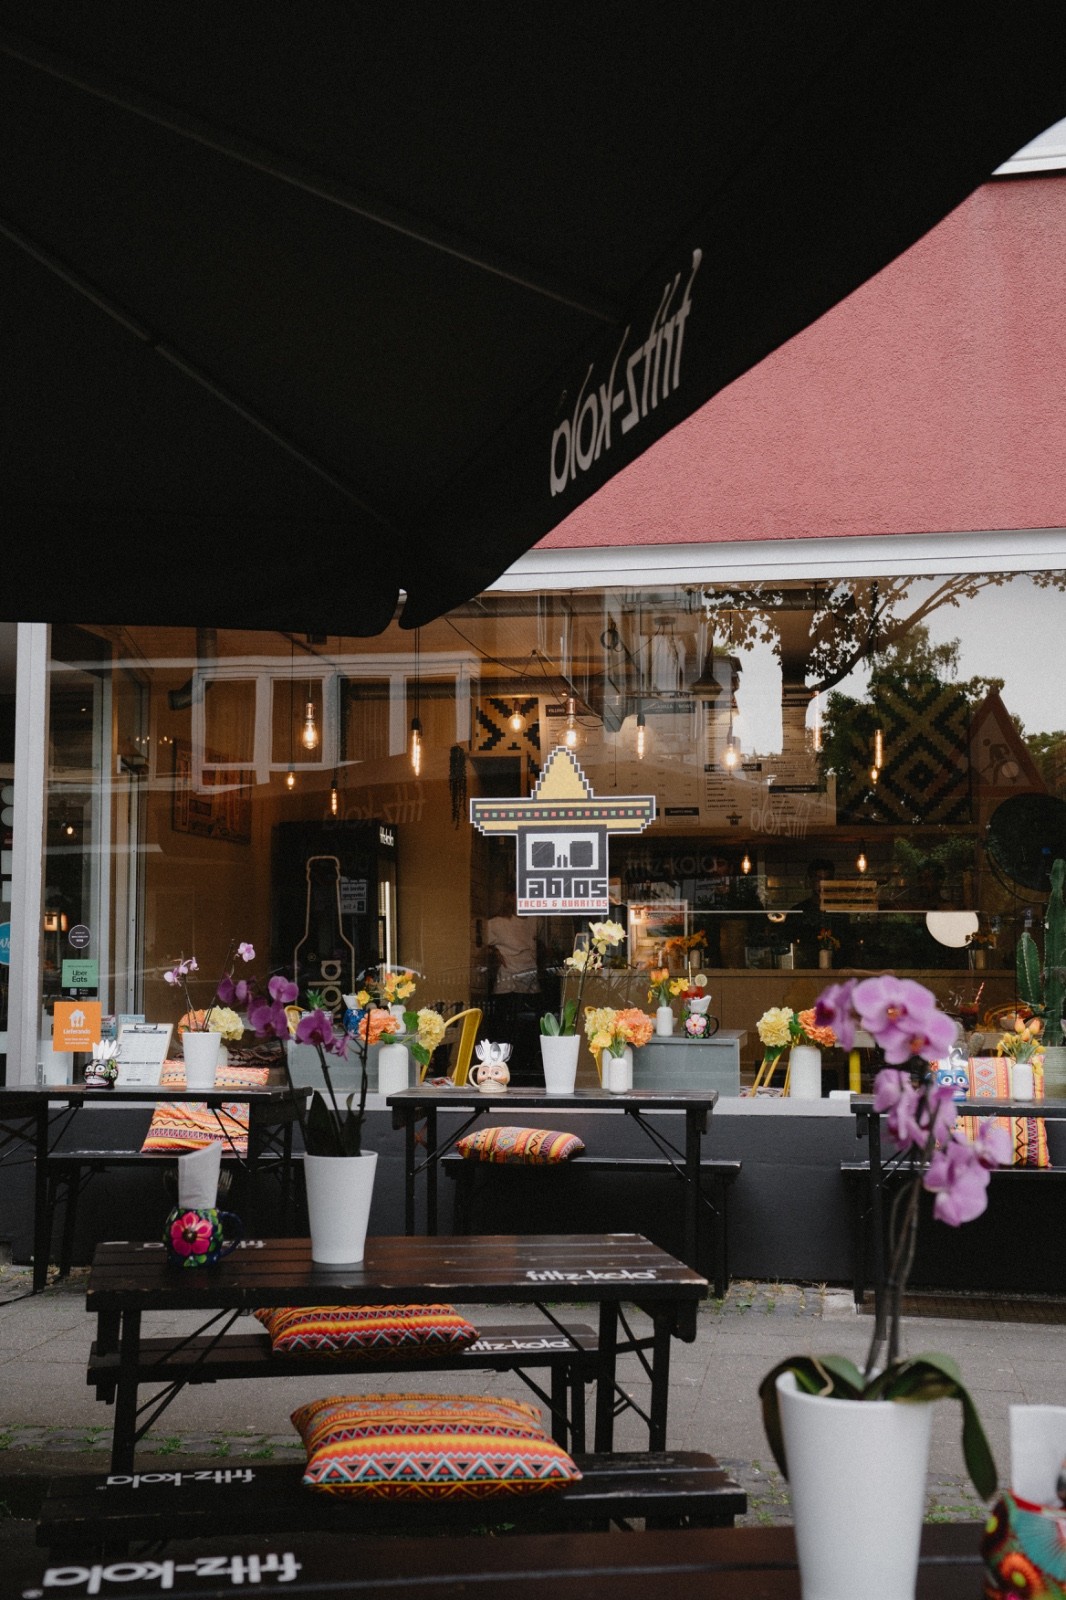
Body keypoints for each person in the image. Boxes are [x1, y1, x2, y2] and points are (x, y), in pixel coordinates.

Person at [482, 891, 544, 1080]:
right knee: (505, 1028)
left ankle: (524, 1067)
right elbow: (483, 945)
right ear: (509, 900)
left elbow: (537, 943)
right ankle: (504, 1067)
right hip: (507, 979)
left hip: (529, 978)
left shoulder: (534, 920)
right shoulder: (495, 923)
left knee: (527, 1027)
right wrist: (493, 953)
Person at [791, 858, 839, 968]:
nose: (822, 884)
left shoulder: (840, 912)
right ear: (810, 881)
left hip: (837, 973)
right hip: (805, 972)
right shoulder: (798, 912)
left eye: (827, 879)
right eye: (818, 879)